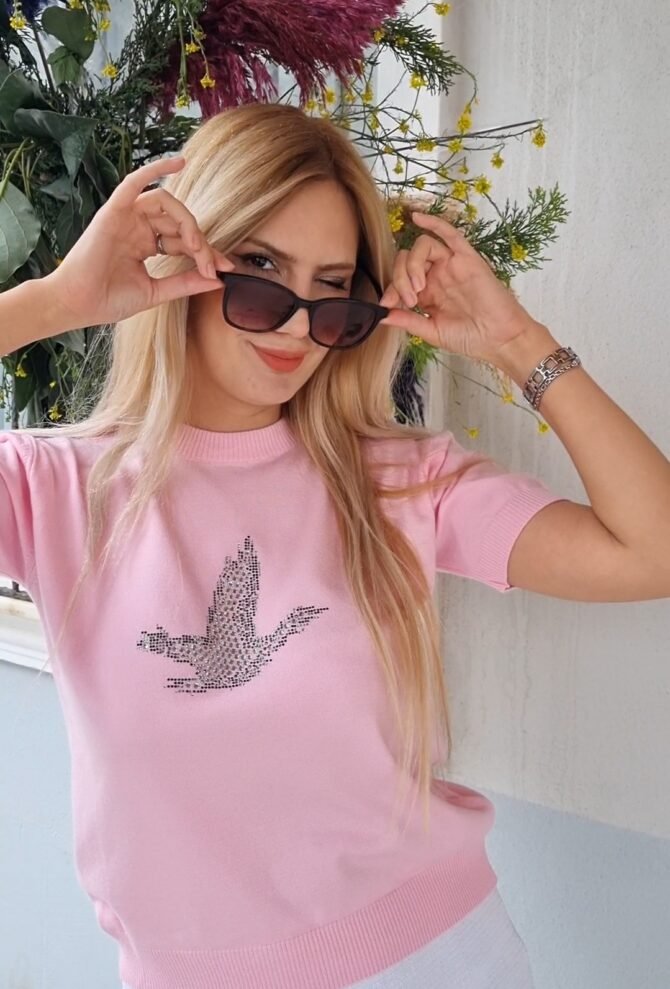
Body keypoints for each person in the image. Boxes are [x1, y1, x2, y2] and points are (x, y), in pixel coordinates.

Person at [1, 103, 668, 989]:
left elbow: (652, 549)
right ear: (187, 257)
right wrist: (59, 300)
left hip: (431, 962)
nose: (293, 324)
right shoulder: (52, 489)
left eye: (332, 292)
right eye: (259, 271)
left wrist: (519, 344)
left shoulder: (395, 481)